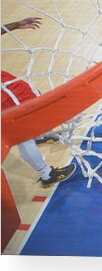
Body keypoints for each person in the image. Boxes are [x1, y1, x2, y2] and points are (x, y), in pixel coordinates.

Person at [2, 17, 76, 187]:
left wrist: (16, 24)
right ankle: (46, 174)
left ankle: (40, 135)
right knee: (20, 133)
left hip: (3, 81)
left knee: (33, 100)